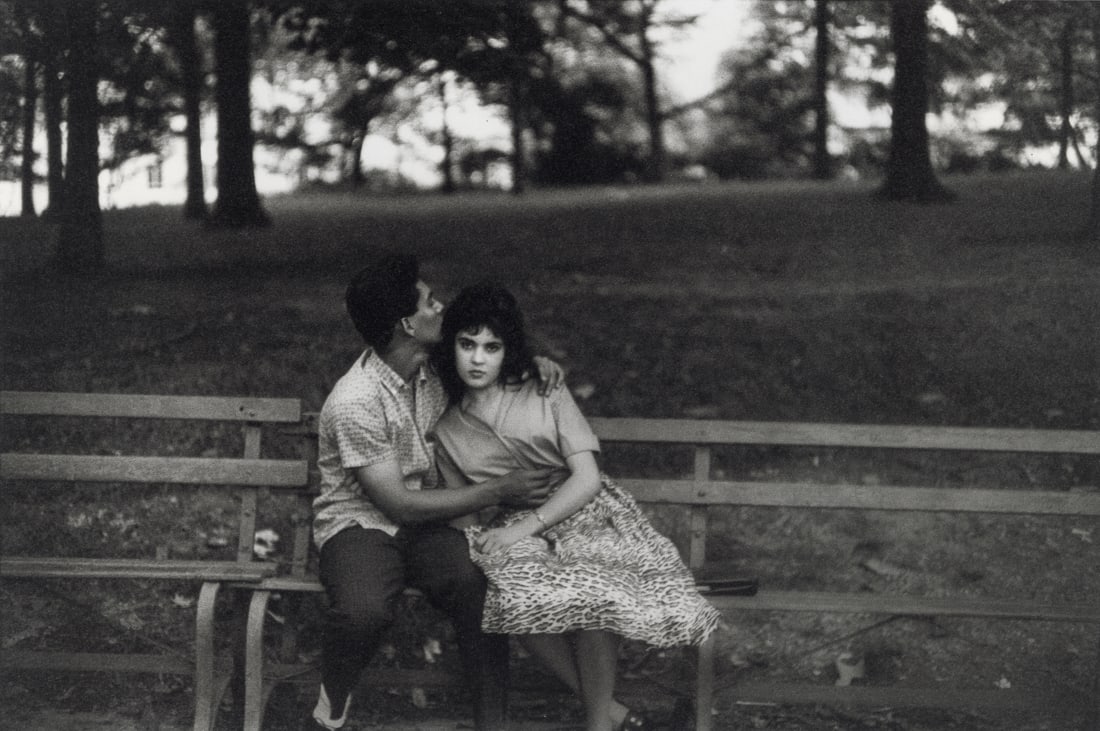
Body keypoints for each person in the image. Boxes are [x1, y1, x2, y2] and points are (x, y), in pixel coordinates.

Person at [429, 282, 721, 731]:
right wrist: (497, 535)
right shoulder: (447, 427)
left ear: (509, 351)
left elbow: (586, 479)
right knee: (505, 588)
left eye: (492, 346)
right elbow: (467, 517)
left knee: (594, 589)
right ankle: (611, 713)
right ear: (451, 345)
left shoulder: (543, 387)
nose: (478, 358)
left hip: (588, 514)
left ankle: (598, 725)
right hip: (517, 526)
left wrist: (524, 527)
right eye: (467, 344)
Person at [310, 255, 564, 730]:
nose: (440, 306)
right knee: (364, 611)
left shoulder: (433, 367)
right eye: (430, 301)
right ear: (408, 323)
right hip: (360, 523)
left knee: (478, 586)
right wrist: (499, 490)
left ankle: (493, 722)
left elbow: (493, 359)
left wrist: (535, 365)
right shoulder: (355, 401)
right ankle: (333, 698)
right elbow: (396, 504)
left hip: (428, 525)